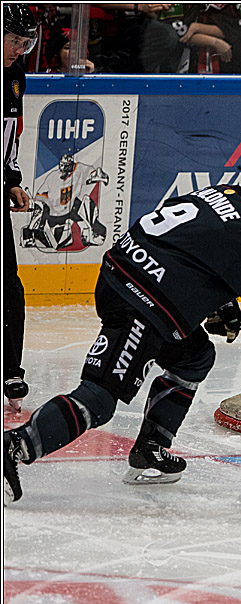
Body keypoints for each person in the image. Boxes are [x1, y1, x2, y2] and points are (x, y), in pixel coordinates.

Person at [3, 150, 241, 506]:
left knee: (194, 356)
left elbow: (193, 246)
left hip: (125, 277)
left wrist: (221, 303)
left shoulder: (222, 194)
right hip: (142, 301)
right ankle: (14, 446)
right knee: (100, 397)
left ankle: (150, 448)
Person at [4, 3, 37, 412]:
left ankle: (10, 369)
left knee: (9, 285)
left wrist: (11, 181)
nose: (19, 49)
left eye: (25, 44)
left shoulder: (15, 76)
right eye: (14, 40)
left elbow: (11, 134)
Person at [25, 154, 109, 250]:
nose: (63, 169)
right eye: (61, 165)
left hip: (72, 209)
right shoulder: (52, 177)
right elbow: (40, 195)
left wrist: (99, 176)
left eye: (66, 166)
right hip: (55, 214)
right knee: (56, 242)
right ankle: (31, 235)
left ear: (71, 165)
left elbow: (93, 173)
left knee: (86, 201)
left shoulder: (80, 169)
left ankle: (95, 233)